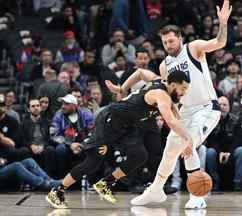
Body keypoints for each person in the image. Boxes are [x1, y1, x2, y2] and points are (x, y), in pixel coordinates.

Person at [112, 0, 232, 208]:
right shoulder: (164, 65)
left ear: (180, 39)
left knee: (188, 143)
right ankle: (156, 190)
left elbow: (219, 43)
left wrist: (223, 23)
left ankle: (197, 196)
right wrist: (176, 119)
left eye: (171, 41)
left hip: (206, 108)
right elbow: (170, 98)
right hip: (185, 111)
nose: (168, 45)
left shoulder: (193, 48)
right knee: (170, 148)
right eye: (165, 42)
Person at [46, 70, 191, 209]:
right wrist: (187, 140)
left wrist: (122, 88)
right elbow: (171, 121)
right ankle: (56, 191)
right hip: (110, 120)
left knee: (139, 155)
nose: (184, 92)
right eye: (183, 88)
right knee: (92, 162)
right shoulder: (161, 95)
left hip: (127, 126)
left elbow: (140, 72)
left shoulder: (158, 82)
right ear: (173, 85)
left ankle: (107, 182)